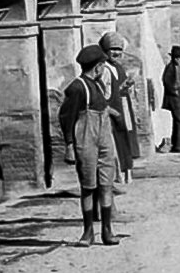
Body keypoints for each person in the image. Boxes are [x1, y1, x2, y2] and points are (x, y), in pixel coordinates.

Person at [58, 44, 119, 247]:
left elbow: (101, 107)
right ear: (98, 66)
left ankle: (107, 231)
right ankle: (88, 232)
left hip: (103, 139)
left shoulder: (98, 85)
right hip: (86, 140)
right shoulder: (77, 88)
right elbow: (67, 117)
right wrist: (69, 145)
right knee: (88, 186)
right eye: (103, 65)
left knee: (106, 184)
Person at [98, 31, 139, 188]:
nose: (116, 53)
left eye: (118, 49)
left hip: (124, 107)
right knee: (115, 142)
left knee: (125, 139)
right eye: (112, 49)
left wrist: (126, 87)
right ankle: (117, 175)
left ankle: (126, 172)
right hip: (114, 109)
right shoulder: (105, 69)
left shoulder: (118, 67)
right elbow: (105, 93)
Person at [161, 45, 180, 154]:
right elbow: (166, 81)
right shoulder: (171, 67)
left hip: (178, 97)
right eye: (179, 58)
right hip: (174, 99)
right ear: (176, 58)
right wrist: (175, 91)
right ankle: (179, 145)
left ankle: (177, 144)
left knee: (178, 122)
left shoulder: (175, 67)